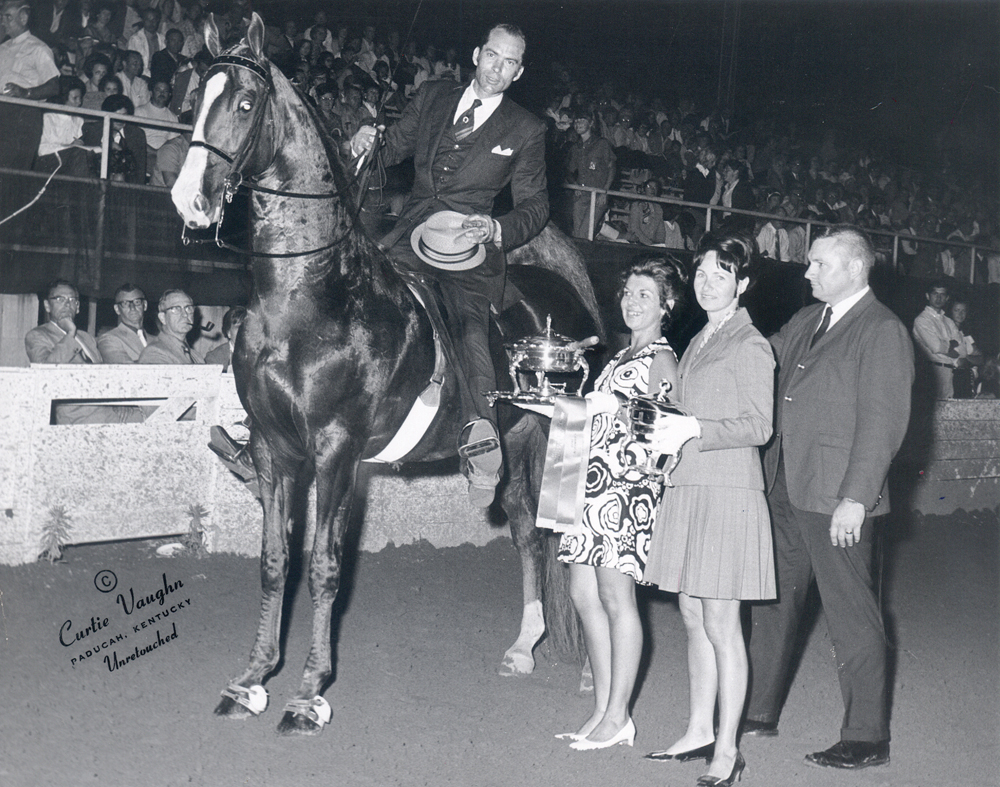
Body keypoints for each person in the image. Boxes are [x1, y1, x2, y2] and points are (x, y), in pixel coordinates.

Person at [351, 23, 548, 508]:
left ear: (519, 72)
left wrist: (497, 227)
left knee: (468, 329)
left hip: (468, 247)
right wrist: (363, 144)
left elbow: (536, 206)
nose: (497, 69)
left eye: (510, 63)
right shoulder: (434, 96)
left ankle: (482, 443)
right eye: (493, 56)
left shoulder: (526, 129)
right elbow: (389, 153)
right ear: (477, 53)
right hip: (409, 232)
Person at [745, 226, 914, 770]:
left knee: (852, 614)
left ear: (855, 268)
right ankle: (757, 708)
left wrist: (857, 498)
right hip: (787, 485)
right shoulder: (807, 320)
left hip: (838, 496)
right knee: (773, 601)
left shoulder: (882, 330)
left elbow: (883, 424)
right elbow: (761, 362)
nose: (807, 271)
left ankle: (867, 736)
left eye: (819, 263)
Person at [641, 235, 775, 787]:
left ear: (742, 284)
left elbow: (760, 426)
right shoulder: (697, 339)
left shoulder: (750, 342)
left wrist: (694, 428)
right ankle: (698, 728)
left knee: (722, 624)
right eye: (701, 273)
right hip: (690, 486)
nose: (706, 282)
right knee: (693, 617)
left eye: (721, 274)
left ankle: (728, 748)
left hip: (728, 493)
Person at [555, 258, 684, 751]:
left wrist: (622, 409)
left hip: (626, 490)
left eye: (644, 295)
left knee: (615, 599)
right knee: (584, 597)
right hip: (590, 484)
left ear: (666, 305)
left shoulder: (661, 358)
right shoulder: (618, 356)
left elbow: (665, 429)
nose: (632, 301)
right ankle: (603, 709)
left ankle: (618, 715)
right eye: (628, 292)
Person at [25, 280, 142, 424]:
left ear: (78, 307)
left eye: (72, 300)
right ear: (47, 306)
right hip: (77, 416)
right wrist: (70, 333)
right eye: (60, 299)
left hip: (107, 409)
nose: (67, 304)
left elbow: (104, 375)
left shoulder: (87, 338)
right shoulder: (37, 335)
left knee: (155, 416)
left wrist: (118, 402)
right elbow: (46, 372)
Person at [0, 0, 61, 171]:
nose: (3, 22)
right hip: (2, 114)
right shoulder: (2, 48)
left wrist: (25, 92)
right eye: (2, 17)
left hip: (23, 118)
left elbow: (53, 86)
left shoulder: (38, 48)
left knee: (13, 175)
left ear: (24, 18)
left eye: (8, 17)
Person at [912, 278, 968, 399]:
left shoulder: (948, 321)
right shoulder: (922, 320)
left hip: (950, 373)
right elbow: (936, 346)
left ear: (947, 298)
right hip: (932, 372)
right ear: (927, 296)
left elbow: (963, 350)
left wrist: (948, 347)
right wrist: (952, 345)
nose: (938, 298)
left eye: (942, 294)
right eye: (935, 294)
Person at [566, 109, 616, 240]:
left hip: (598, 195)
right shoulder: (576, 147)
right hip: (581, 195)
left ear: (591, 123)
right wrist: (575, 185)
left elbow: (612, 167)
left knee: (585, 233)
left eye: (582, 120)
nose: (578, 124)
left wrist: (605, 191)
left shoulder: (602, 144)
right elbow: (569, 171)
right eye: (576, 121)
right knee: (577, 234)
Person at [137, 289, 204, 364]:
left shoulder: (196, 357)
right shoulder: (154, 353)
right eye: (176, 309)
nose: (185, 314)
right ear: (163, 318)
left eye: (188, 308)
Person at [97, 283, 148, 362]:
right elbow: (125, 370)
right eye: (125, 303)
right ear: (117, 309)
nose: (132, 308)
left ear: (144, 305)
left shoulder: (157, 340)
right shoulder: (109, 339)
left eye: (137, 302)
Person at [205, 306, 246, 371]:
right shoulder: (215, 358)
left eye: (247, 327)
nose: (244, 331)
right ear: (228, 332)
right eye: (239, 327)